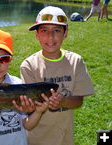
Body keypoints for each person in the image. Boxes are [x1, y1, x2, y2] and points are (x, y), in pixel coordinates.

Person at [13, 6, 95, 145]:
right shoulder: (28, 65)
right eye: (44, 31)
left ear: (65, 33)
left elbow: (79, 101)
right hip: (37, 139)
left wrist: (63, 101)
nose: (50, 36)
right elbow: (30, 110)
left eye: (56, 30)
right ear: (37, 34)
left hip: (65, 139)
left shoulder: (76, 61)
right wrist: (29, 107)